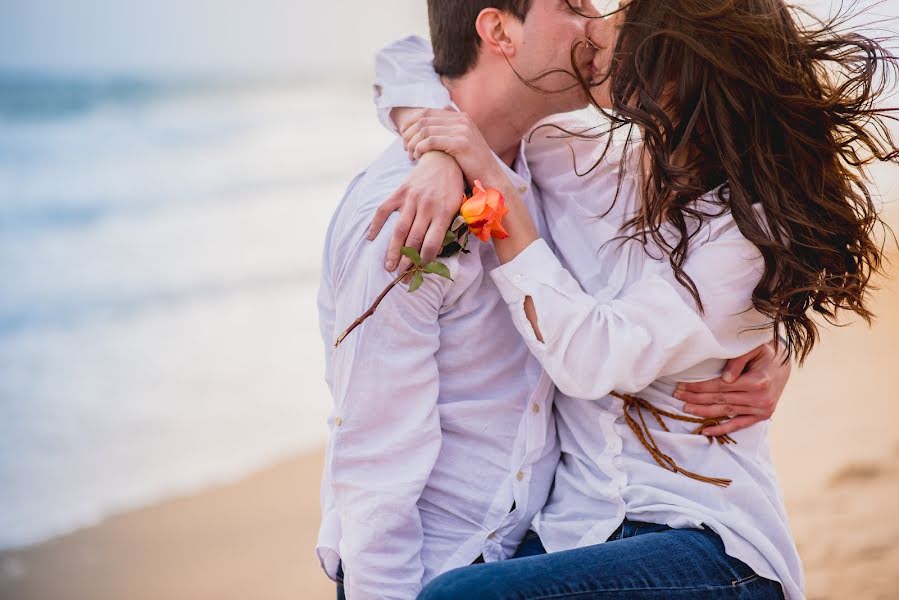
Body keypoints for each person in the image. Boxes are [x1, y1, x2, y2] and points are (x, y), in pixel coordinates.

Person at [365, 1, 898, 598]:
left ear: (670, 66)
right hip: (574, 530)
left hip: (707, 544)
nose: (590, 26)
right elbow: (411, 58)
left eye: (609, 26)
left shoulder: (748, 233)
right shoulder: (583, 161)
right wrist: (440, 153)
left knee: (457, 598)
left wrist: (501, 202)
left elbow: (592, 358)